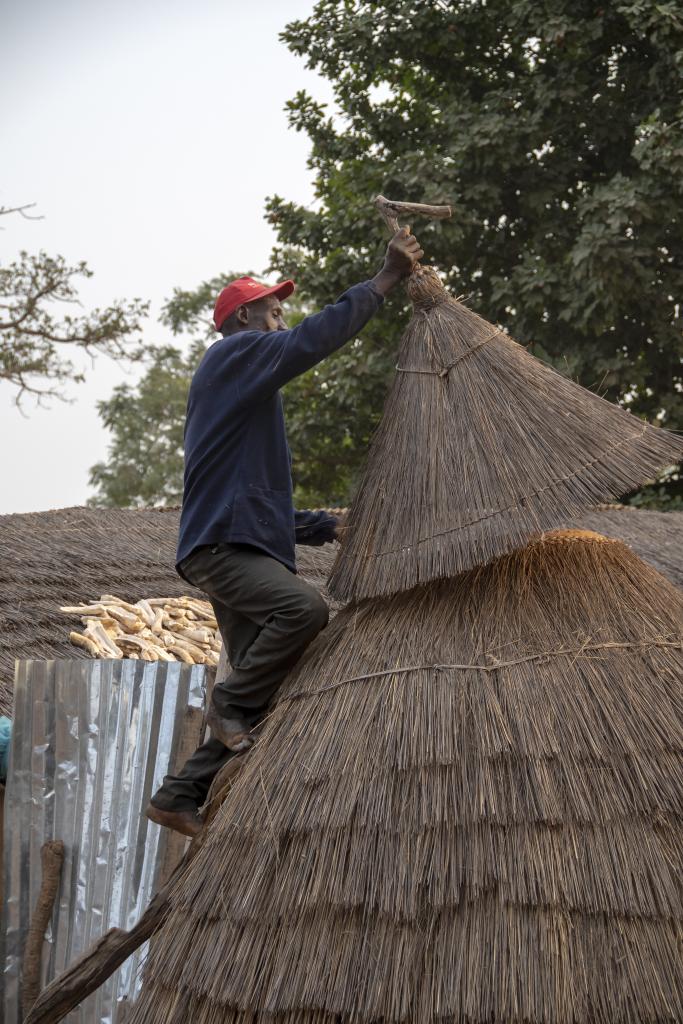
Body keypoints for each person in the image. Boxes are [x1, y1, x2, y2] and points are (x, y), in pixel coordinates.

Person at [146, 226, 424, 836]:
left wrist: (327, 526)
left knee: (261, 693)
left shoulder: (241, 393)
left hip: (231, 541)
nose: (281, 319)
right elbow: (309, 343)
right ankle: (222, 702)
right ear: (244, 316)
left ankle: (179, 792)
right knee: (303, 610)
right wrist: (384, 279)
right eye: (273, 310)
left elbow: (253, 501)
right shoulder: (233, 355)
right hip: (224, 550)